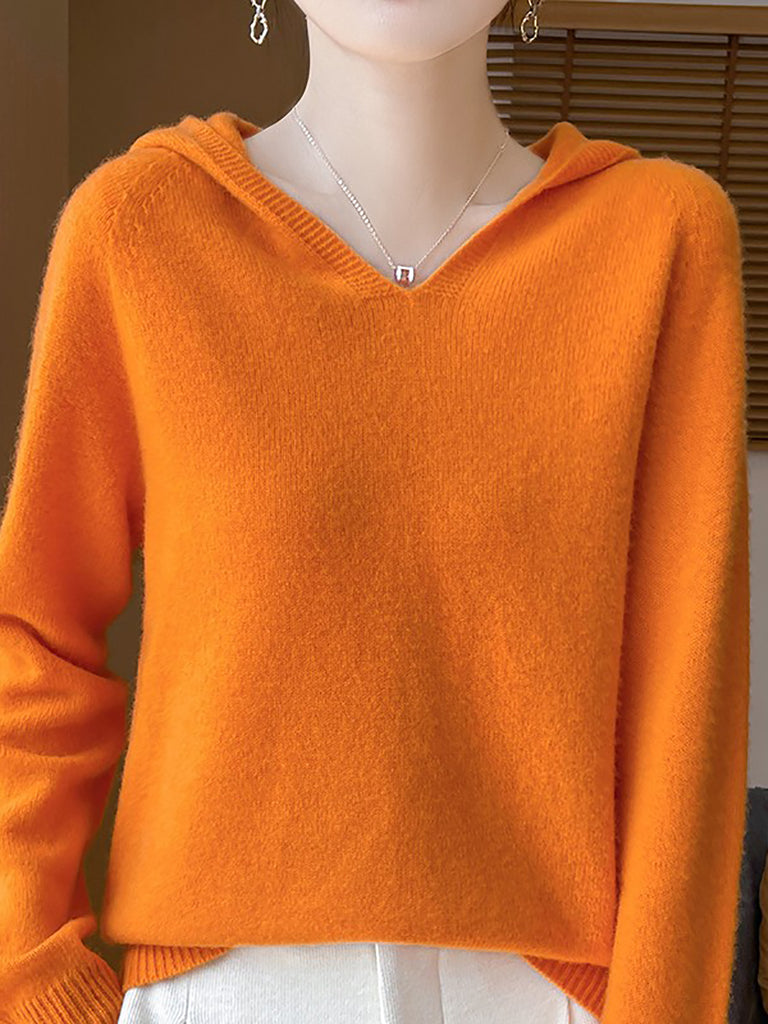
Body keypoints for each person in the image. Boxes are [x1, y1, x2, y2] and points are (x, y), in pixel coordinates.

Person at [0, 0, 750, 1022]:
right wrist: (34, 981)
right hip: (220, 993)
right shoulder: (140, 232)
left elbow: (687, 706)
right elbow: (34, 636)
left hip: (546, 998)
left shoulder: (659, 239)